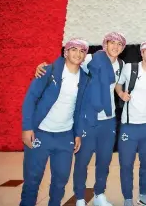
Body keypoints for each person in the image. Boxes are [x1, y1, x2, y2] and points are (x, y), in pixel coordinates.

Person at [35, 32, 127, 206]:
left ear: (123, 48)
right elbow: (66, 63)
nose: (115, 46)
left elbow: (115, 84)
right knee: (82, 161)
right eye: (112, 43)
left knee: (104, 161)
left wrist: (120, 93)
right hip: (88, 119)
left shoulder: (121, 65)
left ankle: (99, 194)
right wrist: (44, 67)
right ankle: (79, 197)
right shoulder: (89, 58)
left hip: (109, 120)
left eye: (119, 44)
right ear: (105, 44)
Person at [20, 38, 90, 206]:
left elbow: (79, 109)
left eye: (82, 51)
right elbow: (30, 98)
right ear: (66, 52)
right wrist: (27, 127)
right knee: (32, 180)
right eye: (74, 49)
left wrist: (78, 134)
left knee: (60, 181)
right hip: (41, 133)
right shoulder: (48, 70)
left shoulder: (85, 79)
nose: (77, 54)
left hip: (65, 137)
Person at [115, 38, 146, 206]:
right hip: (129, 127)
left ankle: (143, 195)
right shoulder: (130, 69)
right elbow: (117, 85)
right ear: (142, 52)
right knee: (126, 165)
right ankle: (127, 199)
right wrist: (121, 94)